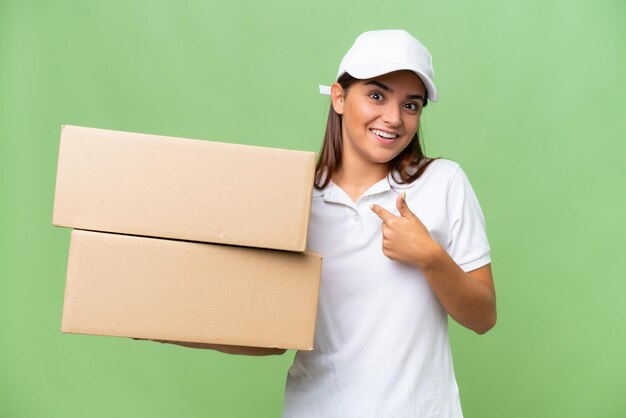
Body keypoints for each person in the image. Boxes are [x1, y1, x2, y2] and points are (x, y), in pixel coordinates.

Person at [281, 29, 496, 418]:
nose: (394, 119)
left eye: (411, 105)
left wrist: (430, 256)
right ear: (340, 97)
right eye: (377, 96)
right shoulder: (298, 201)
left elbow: (483, 317)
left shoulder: (443, 182)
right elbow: (269, 333)